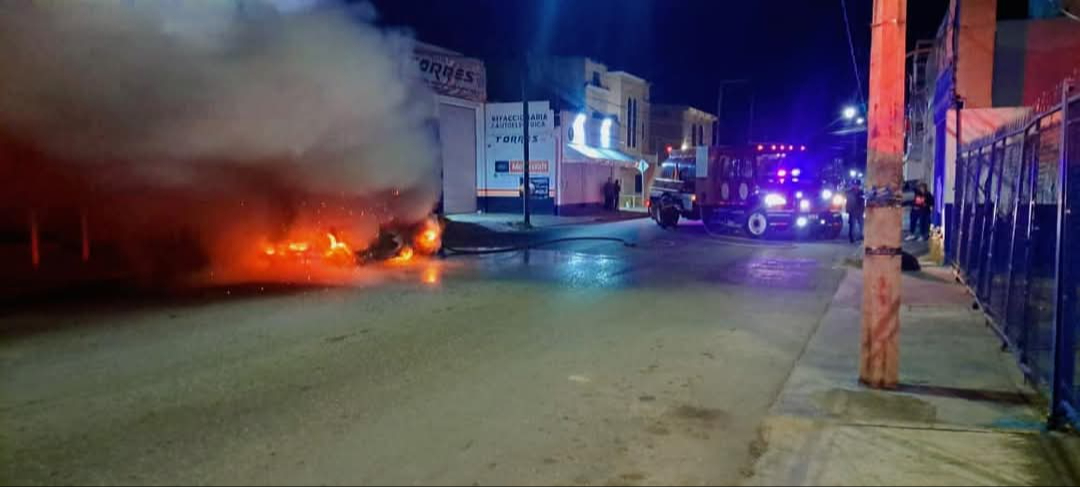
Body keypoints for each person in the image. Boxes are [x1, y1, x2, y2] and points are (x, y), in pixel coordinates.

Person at [846, 179, 865, 244]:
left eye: (857, 185)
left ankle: (861, 236)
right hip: (853, 210)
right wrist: (848, 210)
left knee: (861, 224)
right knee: (852, 225)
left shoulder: (861, 192)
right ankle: (852, 237)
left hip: (859, 210)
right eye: (854, 185)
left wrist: (863, 209)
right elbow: (849, 202)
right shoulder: (849, 192)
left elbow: (862, 201)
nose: (855, 186)